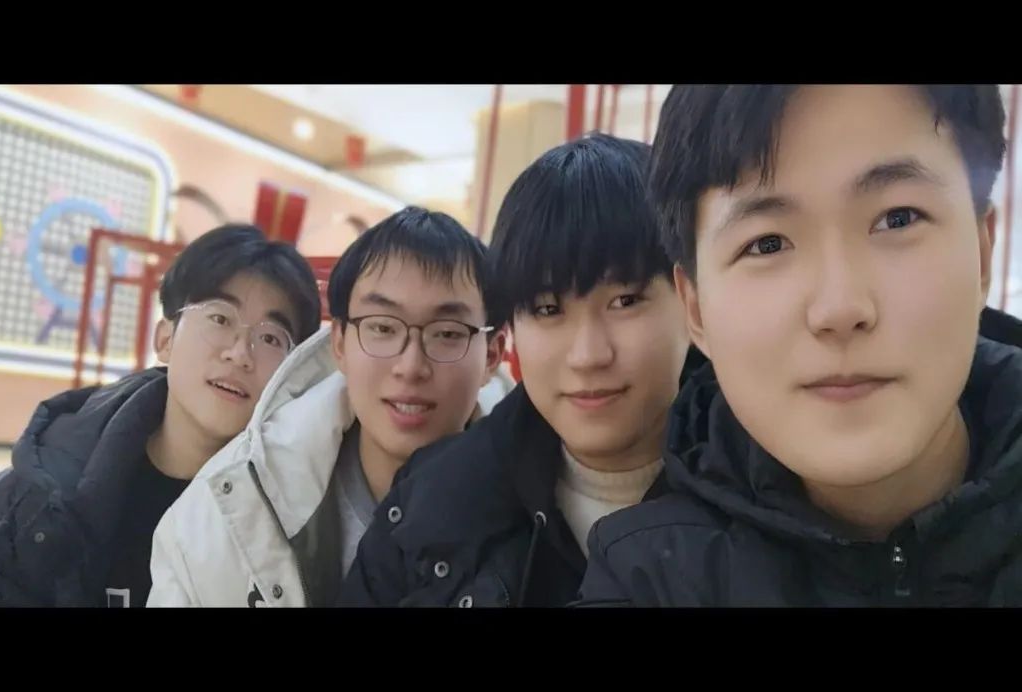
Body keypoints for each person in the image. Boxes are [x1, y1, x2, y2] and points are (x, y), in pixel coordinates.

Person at [577, 84, 1022, 606]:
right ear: (695, 309)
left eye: (898, 218)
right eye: (767, 244)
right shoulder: (646, 579)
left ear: (982, 254)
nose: (839, 309)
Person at [338, 134, 699, 607]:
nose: (587, 355)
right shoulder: (427, 505)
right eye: (548, 309)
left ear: (692, 300)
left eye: (625, 301)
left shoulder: (774, 493)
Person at [147, 207, 513, 607]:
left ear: (492, 355)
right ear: (339, 343)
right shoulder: (220, 516)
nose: (410, 366)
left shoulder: (543, 504)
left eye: (447, 333)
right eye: (383, 328)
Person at [0, 224, 322, 607]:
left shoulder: (303, 516)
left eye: (270, 338)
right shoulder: (48, 481)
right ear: (165, 340)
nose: (240, 353)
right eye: (220, 318)